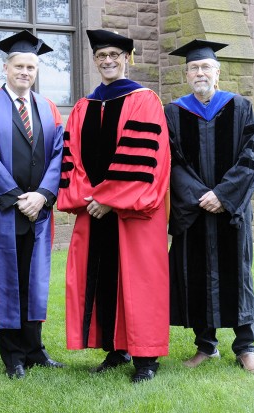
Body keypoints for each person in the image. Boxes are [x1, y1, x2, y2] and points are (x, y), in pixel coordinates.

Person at [57, 30, 170, 383]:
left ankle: (146, 358)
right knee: (103, 277)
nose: (108, 60)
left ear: (127, 58)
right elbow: (71, 156)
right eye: (101, 55)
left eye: (115, 55)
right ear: (95, 60)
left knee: (140, 281)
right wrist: (90, 197)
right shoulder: (83, 106)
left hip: (132, 213)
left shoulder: (145, 100)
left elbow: (145, 159)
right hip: (94, 211)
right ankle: (115, 347)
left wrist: (107, 199)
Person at [0, 30, 65, 379]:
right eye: (19, 66)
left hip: (38, 210)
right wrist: (15, 197)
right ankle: (13, 356)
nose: (25, 72)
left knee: (34, 279)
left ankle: (35, 349)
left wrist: (43, 196)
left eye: (31, 67)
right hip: (4, 209)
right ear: (5, 68)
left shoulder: (48, 107)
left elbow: (58, 155)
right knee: (8, 281)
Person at [165, 39, 254, 374]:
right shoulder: (175, 113)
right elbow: (171, 162)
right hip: (194, 211)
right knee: (194, 273)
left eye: (205, 66)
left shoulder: (239, 108)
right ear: (186, 74)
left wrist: (223, 195)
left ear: (217, 73)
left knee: (237, 274)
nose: (199, 72)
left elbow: (251, 156)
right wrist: (199, 196)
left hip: (230, 211)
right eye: (193, 67)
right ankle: (206, 346)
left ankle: (245, 347)